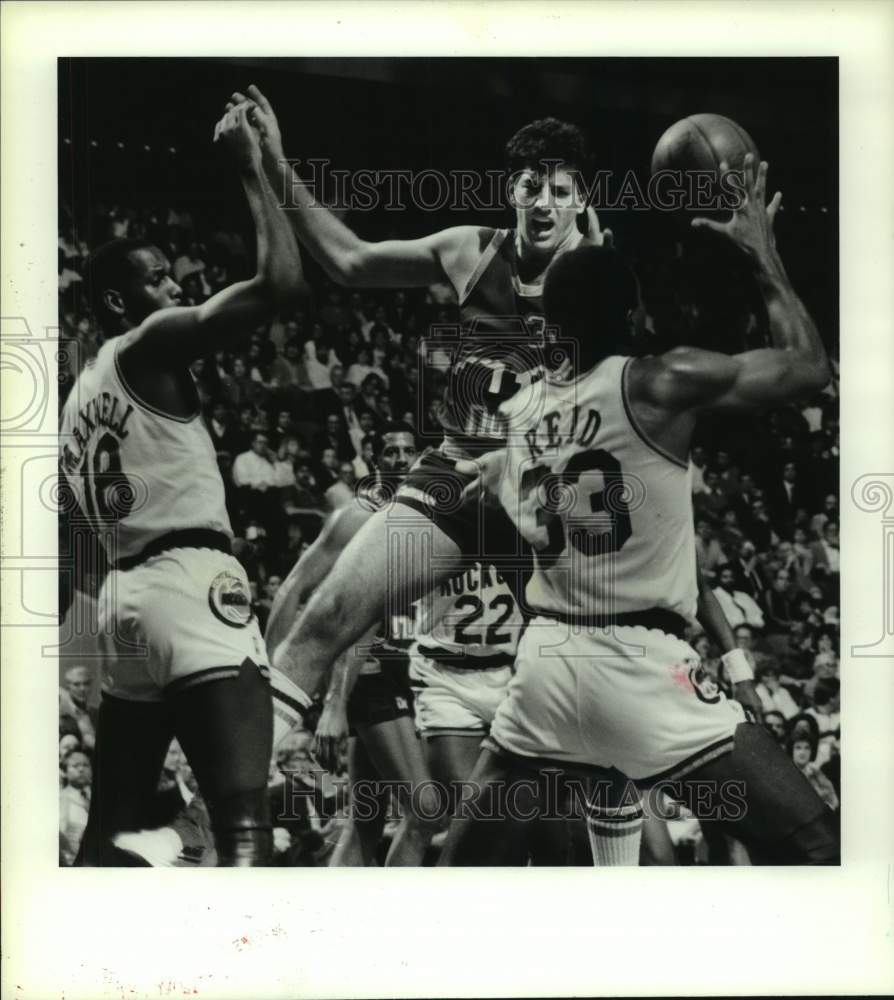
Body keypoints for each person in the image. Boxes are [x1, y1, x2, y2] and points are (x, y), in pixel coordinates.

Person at [440, 156, 838, 865]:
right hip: (644, 665)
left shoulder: (520, 413)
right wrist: (762, 252)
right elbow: (807, 366)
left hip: (547, 669)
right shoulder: (660, 381)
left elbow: (518, 519)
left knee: (465, 874)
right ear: (631, 315)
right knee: (815, 847)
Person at [59, 103, 304, 866]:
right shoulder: (149, 341)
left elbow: (76, 552)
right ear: (115, 303)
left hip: (120, 613)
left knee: (113, 834)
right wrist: (251, 167)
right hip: (190, 583)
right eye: (158, 277)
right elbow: (279, 287)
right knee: (242, 815)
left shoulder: (74, 403)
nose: (176, 286)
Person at [712, 564, 766, 630]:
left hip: (753, 631)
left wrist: (752, 626)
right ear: (718, 579)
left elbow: (758, 618)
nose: (729, 580)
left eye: (732, 577)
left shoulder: (743, 596)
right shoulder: (713, 597)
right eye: (725, 577)